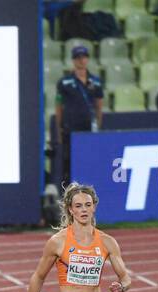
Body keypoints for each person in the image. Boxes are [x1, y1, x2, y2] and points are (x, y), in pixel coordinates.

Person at [54, 46, 104, 190]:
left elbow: (99, 106)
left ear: (87, 59)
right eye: (78, 58)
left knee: (89, 160)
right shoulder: (64, 82)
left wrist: (98, 126)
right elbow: (58, 106)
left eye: (83, 57)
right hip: (71, 128)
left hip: (88, 127)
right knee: (69, 162)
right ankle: (68, 193)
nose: (81, 60)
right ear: (73, 60)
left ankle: (89, 190)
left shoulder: (96, 82)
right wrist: (59, 129)